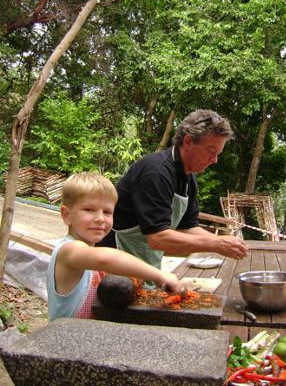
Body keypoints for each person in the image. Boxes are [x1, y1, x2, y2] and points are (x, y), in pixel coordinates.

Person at [98, 109, 248, 278]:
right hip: (112, 264)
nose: (214, 160)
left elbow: (188, 228)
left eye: (217, 154)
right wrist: (217, 243)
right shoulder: (156, 172)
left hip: (145, 265)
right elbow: (158, 238)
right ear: (188, 141)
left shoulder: (188, 179)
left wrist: (228, 243)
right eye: (210, 151)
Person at [46, 172, 181, 321]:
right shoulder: (69, 250)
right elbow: (104, 259)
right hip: (65, 340)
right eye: (89, 210)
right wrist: (159, 275)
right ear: (67, 215)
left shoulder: (89, 252)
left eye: (107, 212)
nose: (100, 219)